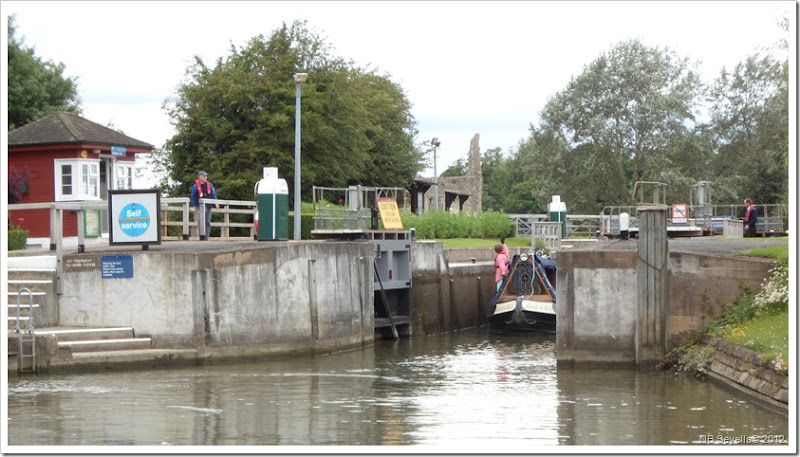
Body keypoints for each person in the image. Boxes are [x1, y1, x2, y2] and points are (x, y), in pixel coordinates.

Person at [190, 170, 219, 240]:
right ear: (200, 177)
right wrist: (193, 205)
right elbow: (193, 195)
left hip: (208, 205)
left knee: (208, 221)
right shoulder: (195, 186)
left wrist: (216, 202)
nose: (206, 177)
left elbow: (213, 194)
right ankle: (202, 236)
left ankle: (207, 237)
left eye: (206, 176)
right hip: (199, 206)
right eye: (204, 176)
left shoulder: (210, 185)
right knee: (201, 220)